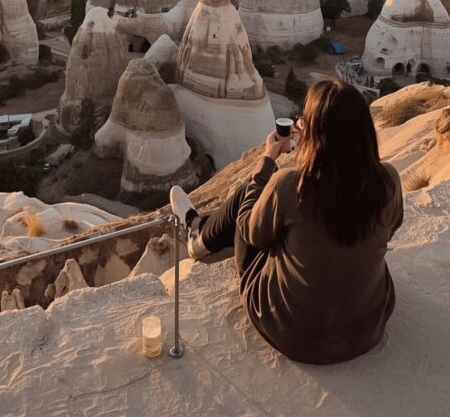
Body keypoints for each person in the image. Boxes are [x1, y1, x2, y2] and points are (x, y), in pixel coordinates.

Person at [170, 77, 403, 365]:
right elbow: (391, 228)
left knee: (248, 195)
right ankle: (199, 229)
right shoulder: (388, 179)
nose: (299, 125)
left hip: (295, 334)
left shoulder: (292, 186)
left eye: (304, 121)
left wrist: (268, 158)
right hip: (367, 328)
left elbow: (249, 232)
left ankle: (197, 235)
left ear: (315, 134)